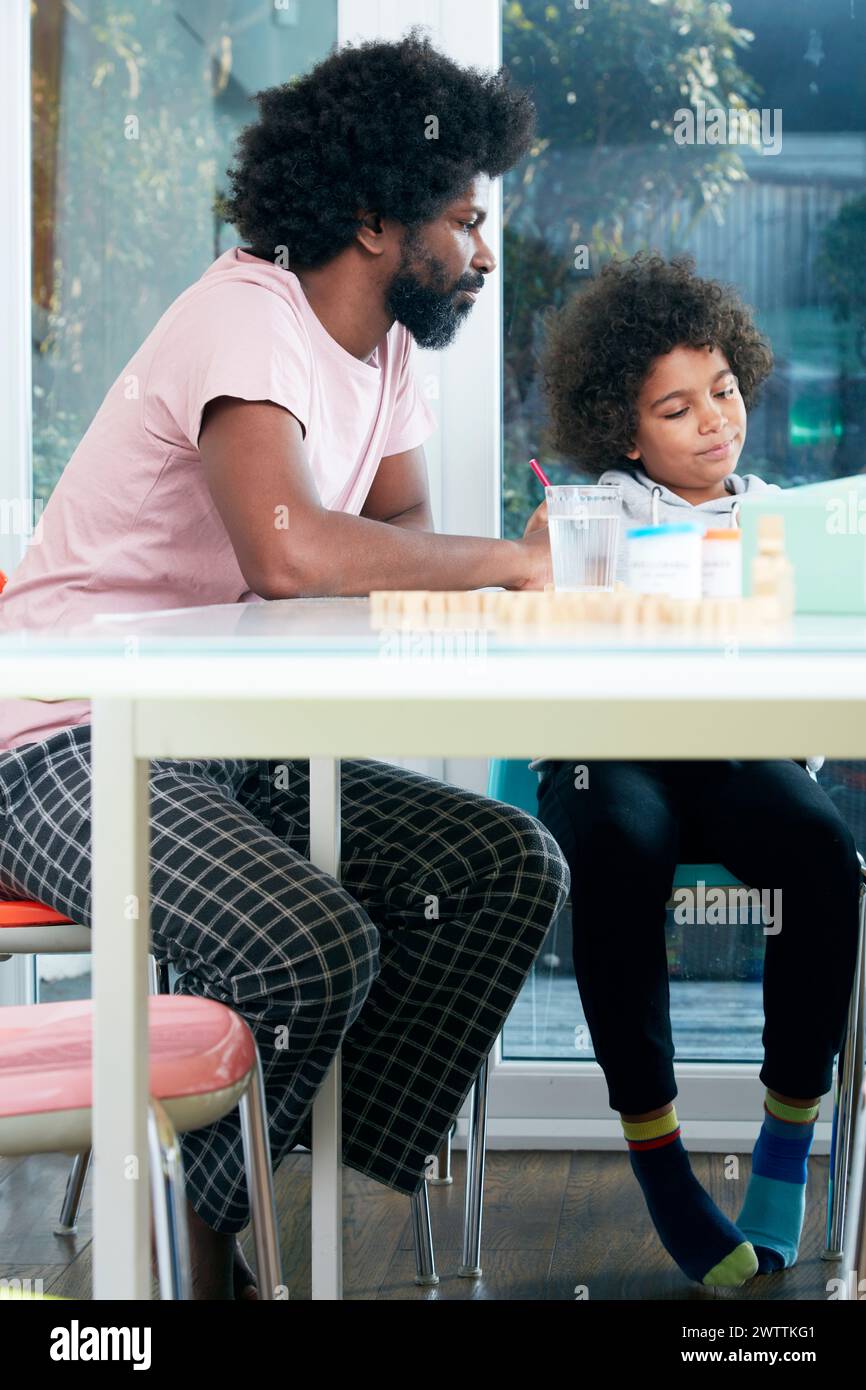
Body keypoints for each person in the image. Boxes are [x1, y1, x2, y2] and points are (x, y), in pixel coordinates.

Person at [0, 32, 570, 1299]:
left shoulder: (389, 355)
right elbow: (291, 552)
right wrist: (509, 563)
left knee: (504, 865)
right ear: (372, 217)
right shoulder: (244, 316)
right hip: (57, 742)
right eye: (463, 219)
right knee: (309, 946)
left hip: (211, 729)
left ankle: (244, 1159)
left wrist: (448, 564)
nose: (482, 252)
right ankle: (198, 1244)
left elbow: (397, 537)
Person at [525, 251, 861, 1288]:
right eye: (676, 409)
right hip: (607, 755)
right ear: (625, 433)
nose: (713, 420)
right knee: (621, 848)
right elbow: (534, 633)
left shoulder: (780, 517)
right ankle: (662, 1166)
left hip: (734, 754)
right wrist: (552, 566)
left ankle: (782, 1140)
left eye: (721, 392)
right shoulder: (589, 516)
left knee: (820, 851)